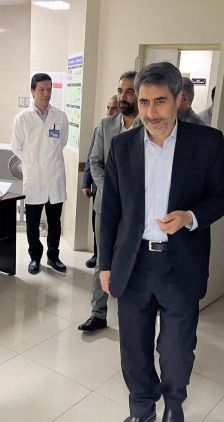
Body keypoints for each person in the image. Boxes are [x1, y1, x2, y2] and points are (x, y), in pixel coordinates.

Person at [99, 62, 224, 422]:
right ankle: (142, 406)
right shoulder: (122, 146)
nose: (151, 112)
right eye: (143, 102)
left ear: (179, 100)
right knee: (134, 345)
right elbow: (110, 212)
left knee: (177, 347)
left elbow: (223, 197)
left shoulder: (207, 142)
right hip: (133, 263)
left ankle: (174, 401)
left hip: (180, 264)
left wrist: (191, 217)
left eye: (160, 101)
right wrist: (105, 265)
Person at [78, 72, 140, 333]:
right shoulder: (106, 126)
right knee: (103, 261)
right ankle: (98, 313)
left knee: (135, 263)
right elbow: (95, 162)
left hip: (135, 211)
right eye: (120, 90)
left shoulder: (148, 127)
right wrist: (112, 193)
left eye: (129, 91)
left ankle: (134, 318)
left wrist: (128, 199)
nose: (123, 96)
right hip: (105, 207)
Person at [11, 73, 69, 275]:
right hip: (34, 178)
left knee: (55, 223)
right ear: (32, 91)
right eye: (42, 89)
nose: (46, 94)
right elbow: (16, 147)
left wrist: (47, 162)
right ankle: (35, 258)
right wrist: (33, 162)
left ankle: (53, 256)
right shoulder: (22, 118)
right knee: (33, 223)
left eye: (49, 89)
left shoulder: (60, 116)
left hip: (55, 178)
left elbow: (62, 143)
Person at [82, 94, 118, 269]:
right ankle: (96, 254)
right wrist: (85, 183)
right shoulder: (101, 128)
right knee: (97, 223)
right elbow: (92, 157)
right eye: (108, 108)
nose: (109, 111)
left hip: (116, 190)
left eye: (114, 108)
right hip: (99, 187)